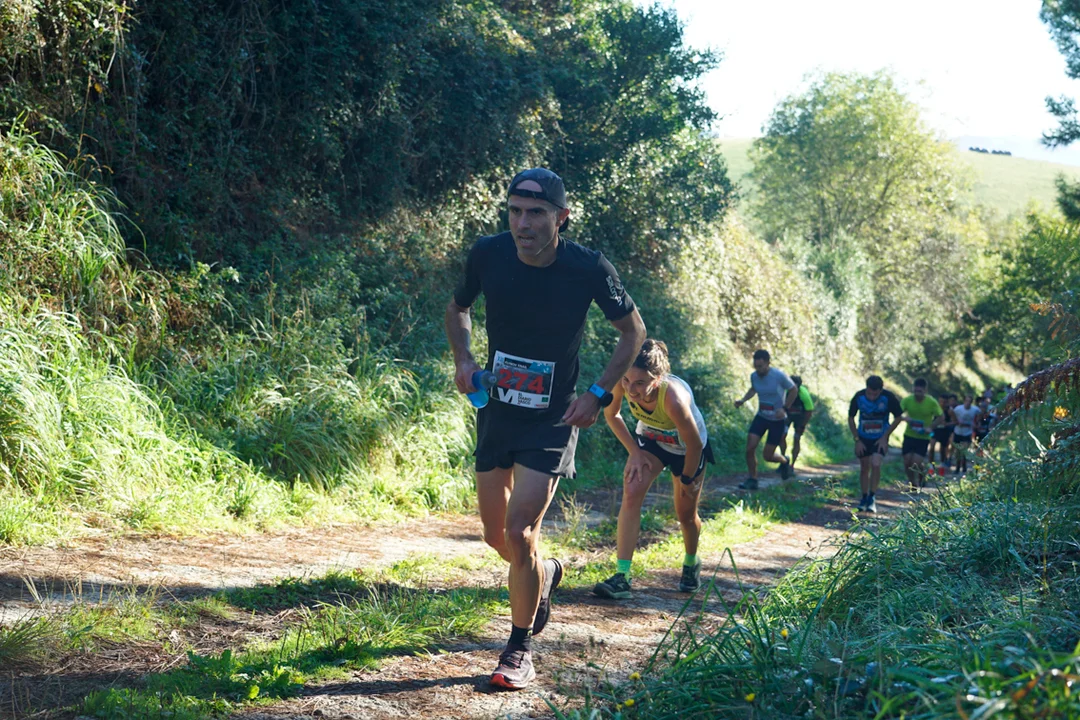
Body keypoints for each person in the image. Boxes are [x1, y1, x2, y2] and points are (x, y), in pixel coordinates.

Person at [445, 167, 646, 690]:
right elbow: (458, 308)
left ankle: (518, 648)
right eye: (515, 211)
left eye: (536, 213)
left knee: (520, 531)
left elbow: (633, 331)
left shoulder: (588, 267)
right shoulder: (487, 254)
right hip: (497, 409)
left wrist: (598, 393)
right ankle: (546, 573)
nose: (523, 223)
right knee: (497, 536)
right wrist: (464, 358)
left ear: (562, 217)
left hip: (553, 418)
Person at [593, 339, 714, 600]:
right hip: (652, 440)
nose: (631, 389)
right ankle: (622, 576)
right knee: (631, 491)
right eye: (627, 381)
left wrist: (687, 479)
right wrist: (635, 452)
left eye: (639, 383)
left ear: (657, 379)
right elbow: (611, 415)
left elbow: (694, 444)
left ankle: (691, 562)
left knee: (685, 514)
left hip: (687, 449)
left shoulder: (673, 399)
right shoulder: (623, 382)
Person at [734, 350, 797, 489]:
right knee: (750, 448)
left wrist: (785, 408)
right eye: (756, 366)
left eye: (761, 366)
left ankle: (784, 461)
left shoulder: (779, 376)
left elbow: (794, 390)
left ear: (768, 363)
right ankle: (752, 479)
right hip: (761, 417)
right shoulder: (754, 376)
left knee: (767, 456)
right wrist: (743, 400)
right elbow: (753, 389)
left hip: (777, 420)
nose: (758, 370)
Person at [848, 376, 903, 513]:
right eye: (870, 393)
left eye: (875, 394)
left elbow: (899, 417)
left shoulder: (888, 397)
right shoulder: (859, 397)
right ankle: (864, 497)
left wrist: (885, 437)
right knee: (864, 467)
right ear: (866, 388)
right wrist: (857, 439)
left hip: (880, 438)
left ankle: (872, 497)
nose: (872, 397)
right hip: (863, 437)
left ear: (880, 390)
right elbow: (851, 417)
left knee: (876, 464)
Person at [899, 378, 943, 492]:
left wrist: (931, 427)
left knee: (915, 463)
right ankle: (913, 484)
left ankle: (922, 474)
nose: (917, 394)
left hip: (923, 437)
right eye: (915, 391)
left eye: (920, 391)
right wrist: (904, 418)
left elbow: (941, 417)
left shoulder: (931, 402)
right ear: (913, 389)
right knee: (907, 462)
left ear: (925, 390)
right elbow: (898, 413)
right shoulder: (907, 400)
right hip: (909, 435)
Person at [778, 375, 814, 470]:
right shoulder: (784, 391)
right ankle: (783, 461)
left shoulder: (804, 394)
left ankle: (792, 465)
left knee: (796, 438)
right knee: (781, 436)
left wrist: (803, 425)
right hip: (787, 415)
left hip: (800, 417)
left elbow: (809, 411)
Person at [951, 394, 979, 475]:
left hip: (967, 433)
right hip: (958, 432)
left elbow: (980, 415)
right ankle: (957, 467)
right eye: (966, 401)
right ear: (964, 401)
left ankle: (964, 467)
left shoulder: (975, 409)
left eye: (970, 401)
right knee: (958, 452)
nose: (968, 403)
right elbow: (952, 414)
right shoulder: (958, 409)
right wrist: (955, 421)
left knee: (964, 451)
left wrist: (976, 423)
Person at [931, 393, 955, 469]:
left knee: (943, 449)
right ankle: (931, 464)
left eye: (944, 402)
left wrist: (947, 424)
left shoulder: (949, 410)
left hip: (944, 431)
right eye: (941, 401)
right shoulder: (935, 408)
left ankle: (942, 463)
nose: (942, 404)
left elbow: (955, 421)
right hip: (935, 430)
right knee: (931, 446)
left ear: (947, 402)